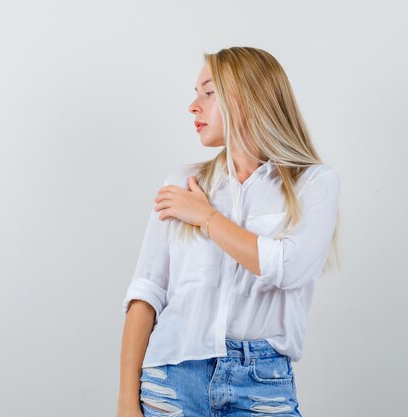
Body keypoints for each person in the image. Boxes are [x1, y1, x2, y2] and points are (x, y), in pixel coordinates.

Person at [116, 47, 341, 417]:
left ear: (247, 98)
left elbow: (289, 268)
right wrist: (126, 401)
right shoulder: (183, 183)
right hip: (170, 379)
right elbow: (147, 291)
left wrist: (207, 218)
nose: (193, 106)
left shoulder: (314, 183)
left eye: (208, 92)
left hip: (262, 384)